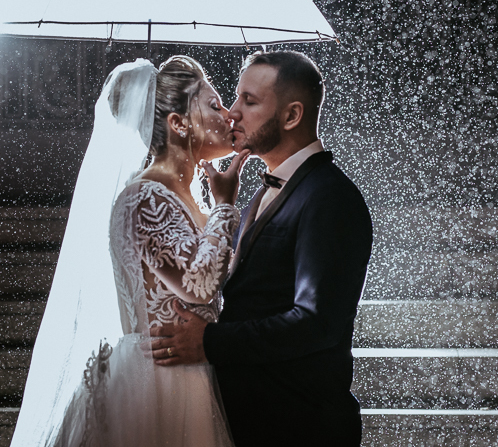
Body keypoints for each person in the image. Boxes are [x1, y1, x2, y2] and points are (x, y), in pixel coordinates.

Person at [9, 56, 248, 447]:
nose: (228, 116)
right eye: (214, 105)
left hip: (189, 370)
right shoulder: (145, 198)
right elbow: (199, 284)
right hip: (159, 384)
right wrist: (225, 207)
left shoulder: (179, 195)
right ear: (179, 124)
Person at [150, 50, 374, 447]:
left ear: (291, 116)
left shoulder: (330, 197)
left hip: (299, 426)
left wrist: (209, 342)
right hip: (253, 421)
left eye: (249, 102)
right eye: (235, 98)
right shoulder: (264, 190)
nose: (232, 113)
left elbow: (315, 322)